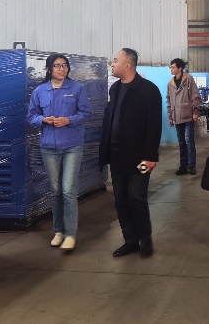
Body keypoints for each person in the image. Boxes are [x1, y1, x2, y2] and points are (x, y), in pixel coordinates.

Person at [99, 48, 162, 259]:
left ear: (127, 65)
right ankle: (130, 240)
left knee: (136, 196)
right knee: (121, 199)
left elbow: (154, 126)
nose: (112, 64)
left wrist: (151, 157)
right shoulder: (115, 89)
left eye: (116, 60)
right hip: (116, 155)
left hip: (140, 158)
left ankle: (145, 239)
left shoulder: (148, 90)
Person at [27, 54, 92, 251]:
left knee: (68, 190)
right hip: (49, 147)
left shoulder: (76, 89)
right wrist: (43, 120)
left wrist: (68, 120)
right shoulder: (40, 91)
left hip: (72, 145)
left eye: (65, 65)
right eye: (57, 66)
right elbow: (31, 116)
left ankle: (70, 234)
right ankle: (58, 231)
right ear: (50, 69)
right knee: (55, 191)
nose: (62, 69)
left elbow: (86, 113)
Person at [167, 58, 201, 175]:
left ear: (180, 68)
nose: (171, 69)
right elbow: (169, 101)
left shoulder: (189, 80)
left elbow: (195, 96)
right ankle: (183, 166)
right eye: (170, 67)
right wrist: (170, 116)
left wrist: (195, 112)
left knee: (188, 141)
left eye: (173, 67)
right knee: (181, 143)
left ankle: (191, 166)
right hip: (177, 117)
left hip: (188, 116)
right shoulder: (170, 84)